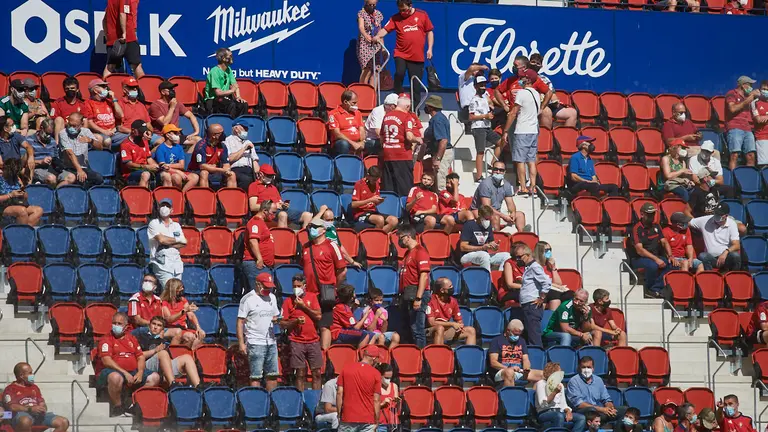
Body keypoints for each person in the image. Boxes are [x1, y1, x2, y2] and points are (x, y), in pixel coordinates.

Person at [373, 0, 434, 112]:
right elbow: (385, 30)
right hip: (401, 53)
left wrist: (430, 49)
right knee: (399, 73)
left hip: (417, 56)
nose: (402, 12)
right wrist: (377, 36)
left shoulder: (422, 15)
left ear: (410, 6)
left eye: (404, 10)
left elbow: (429, 31)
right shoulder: (396, 18)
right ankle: (397, 98)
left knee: (415, 84)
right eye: (400, 10)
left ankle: (414, 110)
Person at [97, 312, 159, 417]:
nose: (116, 325)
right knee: (115, 377)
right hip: (112, 371)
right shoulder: (106, 339)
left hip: (133, 371)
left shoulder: (132, 339)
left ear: (126, 326)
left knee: (155, 377)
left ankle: (134, 403)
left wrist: (140, 372)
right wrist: (125, 373)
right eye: (114, 323)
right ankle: (118, 406)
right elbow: (106, 360)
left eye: (119, 323)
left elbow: (140, 357)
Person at [300, 218, 347, 349]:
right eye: (310, 226)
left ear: (324, 229)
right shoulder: (306, 247)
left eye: (315, 226)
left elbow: (342, 270)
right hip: (309, 293)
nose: (312, 229)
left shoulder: (332, 246)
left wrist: (334, 287)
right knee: (310, 324)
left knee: (325, 325)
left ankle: (324, 354)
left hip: (325, 292)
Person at [237, 272, 280, 389]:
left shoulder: (272, 297)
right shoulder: (247, 299)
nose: (268, 289)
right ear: (257, 284)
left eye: (269, 286)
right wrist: (241, 343)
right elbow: (240, 321)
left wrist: (279, 320)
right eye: (265, 286)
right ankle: (256, 402)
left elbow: (275, 316)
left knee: (273, 375)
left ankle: (271, 403)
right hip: (255, 342)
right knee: (256, 376)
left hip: (271, 341)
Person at [281, 273, 323, 391]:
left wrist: (304, 307)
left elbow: (319, 316)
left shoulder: (312, 297)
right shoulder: (288, 301)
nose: (296, 288)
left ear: (304, 286)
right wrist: (295, 322)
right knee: (300, 373)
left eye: (299, 286)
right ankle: (301, 399)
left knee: (317, 373)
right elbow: (282, 323)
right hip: (296, 341)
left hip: (313, 341)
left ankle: (316, 400)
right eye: (294, 286)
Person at [132, 315, 201, 387]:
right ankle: (172, 384)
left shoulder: (163, 340)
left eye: (159, 325)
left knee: (187, 357)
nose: (155, 327)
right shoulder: (141, 335)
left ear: (162, 330)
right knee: (163, 353)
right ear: (149, 325)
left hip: (162, 369)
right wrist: (154, 351)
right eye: (153, 324)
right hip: (145, 366)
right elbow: (136, 355)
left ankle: (198, 386)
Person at [502, 69, 541, 195]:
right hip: (533, 130)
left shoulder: (522, 93)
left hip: (522, 130)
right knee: (531, 160)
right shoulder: (537, 94)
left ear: (528, 80)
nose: (521, 80)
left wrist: (506, 130)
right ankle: (533, 186)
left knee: (520, 160)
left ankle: (523, 186)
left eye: (523, 78)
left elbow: (513, 112)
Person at [2, 362, 69, 432]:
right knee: (25, 421)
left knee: (63, 422)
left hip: (38, 416)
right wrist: (30, 409)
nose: (32, 375)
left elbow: (41, 401)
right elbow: (12, 407)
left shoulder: (34, 387)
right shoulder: (11, 388)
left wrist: (42, 406)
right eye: (30, 373)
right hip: (20, 415)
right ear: (21, 375)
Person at [567, 356, 627, 429]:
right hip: (583, 412)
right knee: (592, 410)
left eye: (589, 367)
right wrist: (601, 409)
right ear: (579, 368)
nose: (586, 370)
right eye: (583, 367)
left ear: (593, 368)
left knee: (625, 410)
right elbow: (579, 404)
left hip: (598, 412)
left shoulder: (598, 380)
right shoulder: (574, 381)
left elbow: (606, 398)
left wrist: (610, 408)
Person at [380, 94, 421, 196]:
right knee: (405, 188)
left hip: (387, 155)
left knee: (389, 187)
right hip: (402, 156)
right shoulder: (407, 117)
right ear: (407, 107)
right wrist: (418, 140)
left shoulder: (386, 117)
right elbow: (410, 137)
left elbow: (381, 137)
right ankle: (404, 210)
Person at [398, 224, 432, 348]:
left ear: (408, 237)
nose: (399, 241)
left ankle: (421, 356)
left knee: (418, 328)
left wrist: (418, 298)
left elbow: (424, 276)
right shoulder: (408, 253)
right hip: (409, 294)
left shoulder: (420, 251)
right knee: (412, 328)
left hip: (417, 294)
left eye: (401, 238)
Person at [470, 161, 529, 232]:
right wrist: (503, 216)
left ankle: (522, 237)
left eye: (501, 170)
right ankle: (496, 239)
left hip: (496, 212)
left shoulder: (506, 184)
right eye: (496, 169)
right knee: (496, 217)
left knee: (520, 215)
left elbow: (510, 203)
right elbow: (487, 207)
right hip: (480, 212)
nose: (498, 172)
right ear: (492, 171)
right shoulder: (485, 184)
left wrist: (512, 213)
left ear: (504, 172)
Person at [247, 164, 312, 227]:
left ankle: (305, 237)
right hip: (267, 212)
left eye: (272, 176)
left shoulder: (273, 187)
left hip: (279, 211)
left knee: (307, 215)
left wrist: (283, 205)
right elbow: (253, 207)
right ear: (261, 174)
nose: (270, 178)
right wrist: (273, 206)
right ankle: (283, 237)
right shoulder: (254, 186)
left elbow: (279, 202)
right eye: (268, 175)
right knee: (283, 215)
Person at [336, 344, 382, 432]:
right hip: (367, 419)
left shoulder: (346, 369)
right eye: (377, 358)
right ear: (373, 358)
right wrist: (376, 420)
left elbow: (339, 393)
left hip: (348, 417)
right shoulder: (376, 374)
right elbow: (376, 400)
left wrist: (339, 414)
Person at [630, 202, 670, 298]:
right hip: (640, 258)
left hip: (656, 256)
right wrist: (656, 259)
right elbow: (640, 250)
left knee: (673, 265)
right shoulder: (637, 229)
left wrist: (670, 256)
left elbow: (664, 241)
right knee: (653, 266)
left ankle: (656, 288)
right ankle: (649, 289)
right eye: (649, 214)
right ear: (642, 214)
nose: (652, 216)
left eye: (653, 214)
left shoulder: (656, 226)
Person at [515, 243, 551, 346]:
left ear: (528, 254)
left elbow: (546, 282)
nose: (518, 259)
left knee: (534, 336)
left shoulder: (535, 267)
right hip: (528, 305)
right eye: (516, 257)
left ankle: (538, 357)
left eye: (520, 256)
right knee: (530, 334)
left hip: (532, 306)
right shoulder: (528, 267)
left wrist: (541, 298)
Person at [529, 53, 578, 128]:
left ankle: (566, 138)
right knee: (546, 111)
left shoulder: (544, 79)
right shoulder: (524, 77)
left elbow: (552, 94)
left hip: (547, 104)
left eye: (538, 63)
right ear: (529, 62)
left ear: (541, 66)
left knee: (572, 113)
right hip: (533, 105)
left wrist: (555, 101)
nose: (535, 64)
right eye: (533, 62)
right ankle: (546, 138)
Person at [57, 112, 105, 188]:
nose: (71, 128)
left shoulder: (86, 131)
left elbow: (100, 148)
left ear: (81, 124)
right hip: (68, 168)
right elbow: (70, 153)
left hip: (84, 167)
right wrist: (79, 170)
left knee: (98, 178)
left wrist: (91, 140)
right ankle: (57, 194)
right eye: (70, 125)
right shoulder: (63, 133)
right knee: (74, 178)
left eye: (74, 126)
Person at [149, 80, 202, 148]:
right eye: (170, 89)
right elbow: (165, 123)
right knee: (164, 143)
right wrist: (172, 108)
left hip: (176, 136)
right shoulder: (155, 105)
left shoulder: (177, 103)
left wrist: (196, 132)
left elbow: (191, 116)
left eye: (173, 89)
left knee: (198, 140)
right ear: (162, 92)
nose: (173, 91)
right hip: (162, 136)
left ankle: (185, 157)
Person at [689, 202, 741, 272]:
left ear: (726, 216)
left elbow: (737, 245)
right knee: (702, 256)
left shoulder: (732, 224)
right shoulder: (706, 220)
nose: (716, 215)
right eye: (716, 213)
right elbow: (689, 222)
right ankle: (711, 277)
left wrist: (725, 252)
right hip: (711, 258)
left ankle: (732, 277)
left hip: (726, 257)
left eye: (719, 214)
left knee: (736, 256)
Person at [457, 205, 511, 271]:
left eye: (489, 219)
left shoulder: (488, 226)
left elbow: (491, 242)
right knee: (484, 255)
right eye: (486, 219)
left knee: (507, 256)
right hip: (467, 255)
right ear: (480, 215)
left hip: (484, 254)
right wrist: (482, 248)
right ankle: (487, 279)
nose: (487, 221)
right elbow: (463, 247)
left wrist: (494, 246)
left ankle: (500, 278)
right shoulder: (469, 225)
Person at [489, 319, 543, 386]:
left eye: (519, 334)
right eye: (515, 334)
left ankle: (534, 395)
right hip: (502, 371)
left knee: (542, 375)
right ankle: (510, 395)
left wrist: (526, 368)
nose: (517, 336)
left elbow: (525, 359)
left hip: (518, 370)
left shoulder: (522, 341)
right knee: (510, 372)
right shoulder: (497, 341)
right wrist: (508, 368)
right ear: (508, 330)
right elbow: (493, 362)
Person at [469, 76, 502, 183]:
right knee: (480, 151)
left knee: (501, 142)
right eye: (480, 84)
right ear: (475, 86)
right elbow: (471, 117)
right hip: (478, 127)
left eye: (484, 84)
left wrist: (492, 108)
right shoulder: (473, 100)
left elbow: (491, 104)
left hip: (487, 126)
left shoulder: (485, 97)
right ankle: (478, 176)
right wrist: (485, 116)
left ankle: (492, 165)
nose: (483, 86)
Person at [147, 198, 187, 288]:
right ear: (158, 208)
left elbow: (184, 243)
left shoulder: (176, 225)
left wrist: (166, 241)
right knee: (170, 290)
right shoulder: (154, 223)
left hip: (176, 264)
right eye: (162, 206)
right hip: (161, 263)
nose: (164, 208)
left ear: (171, 210)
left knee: (177, 291)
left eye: (167, 206)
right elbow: (161, 240)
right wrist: (177, 239)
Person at [535, 362, 585, 432]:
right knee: (558, 416)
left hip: (560, 412)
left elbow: (563, 405)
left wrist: (568, 411)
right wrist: (554, 392)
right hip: (545, 413)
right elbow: (543, 405)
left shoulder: (560, 385)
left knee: (581, 418)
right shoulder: (541, 384)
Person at [426, 277, 477, 345]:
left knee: (471, 330)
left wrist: (460, 326)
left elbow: (459, 320)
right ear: (442, 290)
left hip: (446, 331)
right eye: (450, 286)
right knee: (440, 328)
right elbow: (431, 323)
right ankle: (438, 354)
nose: (452, 288)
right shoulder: (430, 300)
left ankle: (470, 354)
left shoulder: (453, 301)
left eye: (452, 285)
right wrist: (452, 324)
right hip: (430, 331)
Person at [331, 284, 384, 348]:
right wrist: (366, 315)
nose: (355, 295)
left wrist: (353, 307)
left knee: (372, 335)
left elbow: (350, 322)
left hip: (344, 330)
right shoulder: (342, 308)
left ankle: (369, 355)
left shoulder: (345, 306)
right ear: (351, 298)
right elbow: (356, 328)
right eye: (354, 294)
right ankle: (361, 356)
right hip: (338, 333)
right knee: (365, 334)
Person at [127, 273, 177, 340]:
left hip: (155, 329)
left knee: (177, 332)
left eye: (150, 281)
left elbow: (161, 319)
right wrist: (154, 325)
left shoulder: (158, 300)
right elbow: (137, 320)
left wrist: (158, 327)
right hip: (139, 329)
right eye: (145, 281)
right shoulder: (134, 299)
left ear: (155, 287)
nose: (147, 283)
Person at [103, 0, 144, 79]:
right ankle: (144, 89)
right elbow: (122, 14)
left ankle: (105, 89)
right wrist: (124, 33)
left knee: (110, 66)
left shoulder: (110, 1)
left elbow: (104, 20)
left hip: (112, 39)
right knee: (136, 65)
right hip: (127, 38)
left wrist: (107, 36)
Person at [27, 118, 73, 187]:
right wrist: (41, 161)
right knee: (51, 178)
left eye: (50, 134)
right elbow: (24, 161)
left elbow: (56, 157)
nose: (48, 136)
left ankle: (56, 192)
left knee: (71, 177)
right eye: (47, 133)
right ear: (41, 128)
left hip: (52, 168)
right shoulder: (29, 140)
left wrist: (54, 161)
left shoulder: (52, 141)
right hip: (37, 168)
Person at [188, 124, 236, 188]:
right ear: (213, 135)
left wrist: (226, 170)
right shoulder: (201, 146)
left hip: (215, 170)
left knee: (232, 174)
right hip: (197, 171)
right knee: (204, 173)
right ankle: (206, 196)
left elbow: (226, 164)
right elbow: (202, 166)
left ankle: (231, 197)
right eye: (220, 133)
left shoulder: (222, 146)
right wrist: (221, 170)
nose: (223, 135)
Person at [351, 166, 399, 232]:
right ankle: (376, 239)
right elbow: (353, 204)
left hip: (373, 211)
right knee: (380, 220)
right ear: (368, 176)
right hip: (361, 213)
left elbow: (374, 202)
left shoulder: (376, 184)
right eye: (374, 180)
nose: (375, 181)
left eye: (376, 180)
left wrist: (379, 201)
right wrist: (370, 200)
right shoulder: (359, 184)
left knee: (394, 220)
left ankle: (379, 237)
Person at [726, 76, 759, 170]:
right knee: (734, 155)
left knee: (751, 155)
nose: (751, 87)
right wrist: (749, 99)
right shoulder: (731, 94)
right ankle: (732, 179)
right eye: (750, 85)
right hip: (734, 127)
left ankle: (749, 178)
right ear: (743, 85)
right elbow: (732, 109)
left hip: (747, 129)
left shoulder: (748, 97)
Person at [242, 199, 277, 288]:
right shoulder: (256, 222)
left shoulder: (262, 223)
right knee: (259, 294)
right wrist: (259, 258)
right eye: (273, 212)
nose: (274, 216)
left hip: (263, 266)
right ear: (265, 211)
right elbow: (253, 240)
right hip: (256, 264)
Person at [82, 79, 127, 149]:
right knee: (107, 140)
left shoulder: (109, 101)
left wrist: (114, 99)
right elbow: (89, 123)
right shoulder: (87, 103)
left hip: (114, 132)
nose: (106, 89)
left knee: (132, 137)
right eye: (103, 86)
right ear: (95, 90)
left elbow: (120, 115)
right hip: (100, 133)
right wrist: (104, 131)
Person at [121, 119, 166, 188]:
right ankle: (142, 197)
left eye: (144, 131)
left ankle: (165, 197)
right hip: (130, 173)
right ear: (133, 130)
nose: (142, 133)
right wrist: (146, 167)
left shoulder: (144, 141)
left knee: (165, 174)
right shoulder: (125, 144)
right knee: (146, 174)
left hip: (145, 169)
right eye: (140, 131)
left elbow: (149, 159)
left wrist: (157, 166)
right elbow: (128, 165)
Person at [160, 278, 204, 349]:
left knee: (201, 334)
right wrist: (183, 311)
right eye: (180, 288)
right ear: (174, 289)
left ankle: (190, 355)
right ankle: (179, 355)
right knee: (190, 336)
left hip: (183, 328)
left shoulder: (182, 300)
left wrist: (198, 327)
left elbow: (191, 315)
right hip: (171, 329)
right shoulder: (164, 303)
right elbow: (169, 319)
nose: (182, 289)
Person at [204, 48, 248, 117]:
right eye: (230, 56)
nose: (232, 57)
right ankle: (229, 125)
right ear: (224, 58)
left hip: (225, 97)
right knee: (230, 104)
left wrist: (238, 97)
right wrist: (231, 91)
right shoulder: (214, 71)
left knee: (243, 104)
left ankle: (240, 125)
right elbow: (218, 93)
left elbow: (235, 85)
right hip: (213, 100)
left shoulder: (228, 70)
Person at [154, 124, 199, 191]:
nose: (177, 135)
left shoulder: (179, 147)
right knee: (176, 177)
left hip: (175, 170)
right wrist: (177, 171)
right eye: (175, 133)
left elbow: (181, 165)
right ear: (167, 135)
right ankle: (175, 196)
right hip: (166, 172)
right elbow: (163, 167)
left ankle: (182, 195)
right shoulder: (160, 148)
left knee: (195, 177)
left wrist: (168, 165)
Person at [0, 158, 43, 226]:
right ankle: (22, 233)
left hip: (16, 203)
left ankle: (25, 232)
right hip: (2, 207)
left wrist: (23, 194)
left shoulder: (16, 178)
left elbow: (25, 196)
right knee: (22, 211)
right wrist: (10, 195)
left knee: (38, 210)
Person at [423, 95, 452, 190]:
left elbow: (443, 140)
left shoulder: (437, 120)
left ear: (431, 107)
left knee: (440, 182)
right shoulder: (439, 118)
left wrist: (438, 158)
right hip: (439, 152)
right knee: (438, 180)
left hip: (442, 153)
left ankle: (442, 203)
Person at [533, 241, 571, 310]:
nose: (549, 252)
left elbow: (559, 283)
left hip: (551, 290)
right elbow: (542, 282)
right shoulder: (535, 265)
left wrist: (553, 268)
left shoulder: (549, 264)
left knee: (566, 295)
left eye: (550, 250)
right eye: (547, 250)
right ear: (540, 252)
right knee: (552, 295)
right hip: (539, 289)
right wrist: (558, 287)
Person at [117, 77, 154, 145]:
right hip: (128, 134)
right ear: (124, 90)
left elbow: (148, 124)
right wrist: (137, 133)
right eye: (131, 87)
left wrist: (150, 132)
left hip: (144, 133)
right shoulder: (119, 104)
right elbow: (119, 128)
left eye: (136, 87)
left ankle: (149, 154)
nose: (135, 89)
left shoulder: (141, 105)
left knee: (162, 141)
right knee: (138, 139)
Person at [224, 121, 259, 189]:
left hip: (249, 170)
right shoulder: (228, 140)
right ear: (236, 129)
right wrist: (244, 149)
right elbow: (230, 158)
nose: (246, 131)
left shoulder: (248, 142)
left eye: (247, 129)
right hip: (236, 169)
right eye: (244, 128)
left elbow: (254, 160)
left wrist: (258, 173)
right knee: (246, 180)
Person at [329, 90, 365, 155]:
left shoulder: (358, 113)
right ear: (345, 102)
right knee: (343, 144)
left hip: (357, 142)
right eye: (354, 103)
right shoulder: (333, 114)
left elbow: (361, 129)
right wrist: (353, 143)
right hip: (342, 142)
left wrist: (362, 142)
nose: (356, 105)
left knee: (373, 144)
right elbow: (337, 134)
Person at [357, 0, 384, 86]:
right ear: (365, 3)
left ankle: (373, 95)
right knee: (366, 70)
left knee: (376, 70)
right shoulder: (361, 13)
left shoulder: (378, 14)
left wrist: (383, 46)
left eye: (374, 5)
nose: (372, 6)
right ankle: (362, 91)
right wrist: (365, 35)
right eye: (370, 5)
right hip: (365, 44)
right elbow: (361, 27)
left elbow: (380, 30)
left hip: (376, 44)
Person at [377, 363, 399, 432]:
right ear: (380, 376)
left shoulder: (394, 386)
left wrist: (398, 402)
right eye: (386, 378)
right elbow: (371, 407)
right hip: (380, 423)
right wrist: (382, 404)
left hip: (393, 424)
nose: (388, 380)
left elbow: (396, 408)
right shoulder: (376, 387)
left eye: (390, 378)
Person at [751, 80, 768, 166]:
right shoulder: (755, 103)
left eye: (767, 90)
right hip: (762, 136)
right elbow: (758, 119)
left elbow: (764, 119)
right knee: (764, 164)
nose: (765, 91)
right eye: (763, 89)